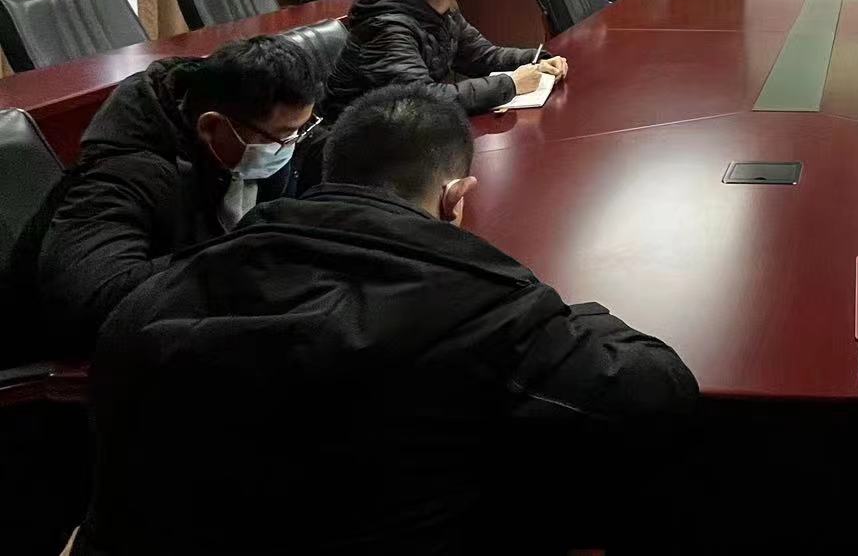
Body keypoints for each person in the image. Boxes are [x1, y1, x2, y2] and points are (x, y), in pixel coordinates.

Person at [75, 87, 697, 555]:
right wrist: (569, 311)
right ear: (455, 198)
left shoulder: (165, 289)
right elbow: (657, 387)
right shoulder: (486, 309)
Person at [14, 36, 321, 356]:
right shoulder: (120, 177)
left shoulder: (246, 139)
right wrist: (241, 257)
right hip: (77, 364)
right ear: (211, 127)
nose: (291, 146)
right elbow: (93, 301)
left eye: (300, 131)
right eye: (283, 137)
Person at [319, 0, 564, 124]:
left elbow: (482, 55)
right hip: (359, 138)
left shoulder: (441, 8)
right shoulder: (388, 29)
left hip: (402, 129)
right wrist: (510, 84)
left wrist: (536, 60)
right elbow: (422, 99)